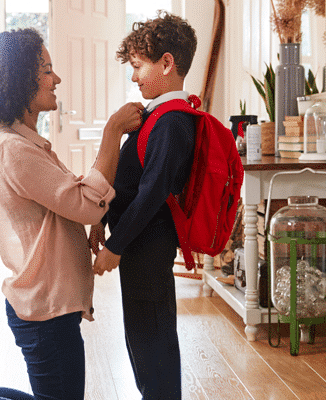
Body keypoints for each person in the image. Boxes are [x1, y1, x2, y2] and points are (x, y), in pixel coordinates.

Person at [0, 27, 144, 400]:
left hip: (46, 305)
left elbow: (69, 199)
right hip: (45, 309)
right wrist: (112, 131)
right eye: (46, 70)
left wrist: (97, 217)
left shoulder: (24, 144)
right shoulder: (16, 151)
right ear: (20, 82)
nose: (56, 79)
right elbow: (82, 204)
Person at [88, 11, 199, 400]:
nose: (133, 77)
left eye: (138, 66)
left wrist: (116, 246)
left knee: (153, 339)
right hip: (139, 245)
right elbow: (129, 180)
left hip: (148, 246)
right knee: (141, 334)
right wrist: (102, 220)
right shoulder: (157, 116)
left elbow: (152, 193)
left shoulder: (172, 122)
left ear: (166, 63)